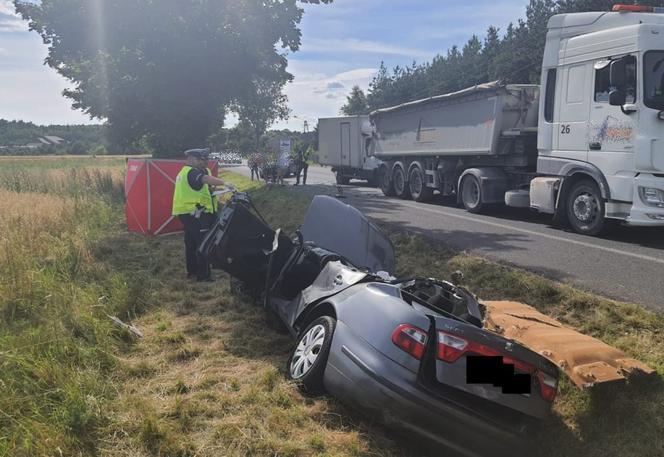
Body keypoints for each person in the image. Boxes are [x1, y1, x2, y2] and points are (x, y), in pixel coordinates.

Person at [172, 148, 230, 282]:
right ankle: (203, 276)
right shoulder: (191, 172)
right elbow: (204, 179)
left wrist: (218, 190)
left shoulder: (198, 171)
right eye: (202, 160)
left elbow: (205, 189)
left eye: (206, 160)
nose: (205, 163)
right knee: (203, 243)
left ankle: (192, 272)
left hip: (191, 213)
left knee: (191, 242)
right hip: (194, 213)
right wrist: (224, 182)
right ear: (192, 159)